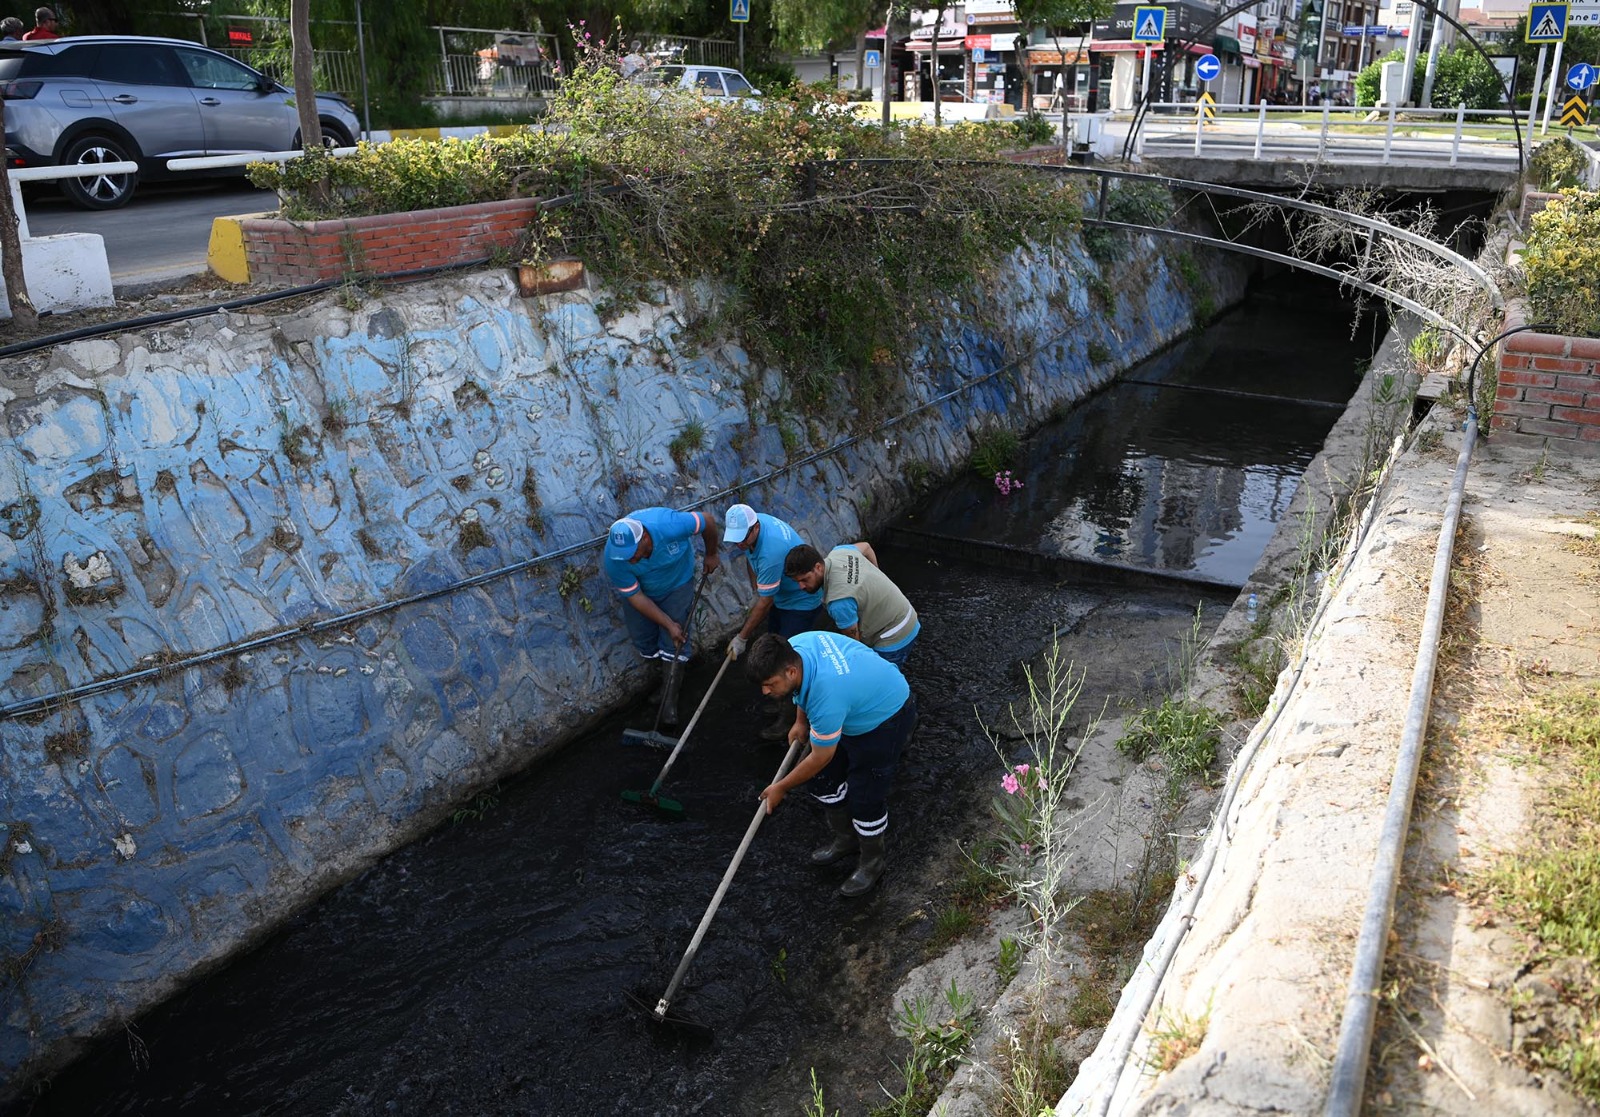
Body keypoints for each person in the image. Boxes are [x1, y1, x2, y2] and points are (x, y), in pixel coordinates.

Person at [747, 632, 916, 897]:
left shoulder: (827, 696)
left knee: (865, 794)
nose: (764, 691)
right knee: (822, 778)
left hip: (886, 716)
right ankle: (846, 839)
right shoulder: (798, 646)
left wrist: (780, 786)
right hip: (850, 705)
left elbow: (820, 756)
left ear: (790, 671)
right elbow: (803, 688)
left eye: (770, 683)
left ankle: (872, 861)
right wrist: (801, 722)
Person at [603, 507, 722, 726]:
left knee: (675, 642)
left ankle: (670, 701)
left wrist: (712, 553)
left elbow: (707, 520)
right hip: (644, 592)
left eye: (633, 554)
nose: (629, 560)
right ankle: (665, 684)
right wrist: (667, 623)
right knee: (644, 640)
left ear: (645, 538)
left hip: (677, 583)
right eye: (624, 556)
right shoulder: (614, 558)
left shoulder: (668, 525)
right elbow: (636, 598)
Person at [721, 503, 827, 737]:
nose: (739, 544)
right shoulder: (749, 526)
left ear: (755, 528)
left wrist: (741, 638)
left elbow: (766, 601)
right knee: (773, 645)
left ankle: (789, 720)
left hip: (801, 601)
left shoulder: (771, 551)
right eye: (736, 540)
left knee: (788, 659)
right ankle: (781, 699)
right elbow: (751, 558)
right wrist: (756, 589)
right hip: (783, 598)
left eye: (742, 539)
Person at [784, 542, 920, 666]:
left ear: (818, 567)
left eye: (804, 580)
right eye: (797, 581)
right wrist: (877, 572)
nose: (801, 586)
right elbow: (866, 547)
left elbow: (855, 647)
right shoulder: (841, 552)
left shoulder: (838, 601)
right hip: (906, 612)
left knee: (875, 682)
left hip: (894, 636)